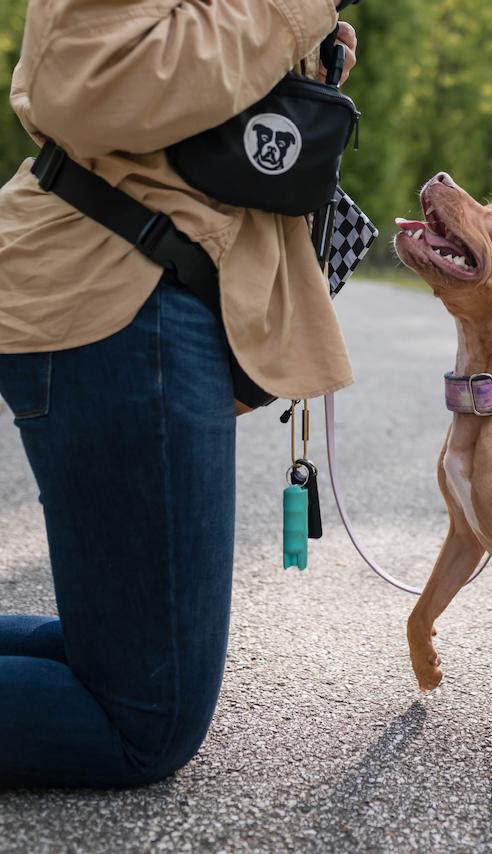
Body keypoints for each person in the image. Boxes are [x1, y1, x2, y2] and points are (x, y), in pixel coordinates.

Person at [0, 0, 357, 788]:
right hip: (120, 300)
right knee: (144, 723)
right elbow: (84, 82)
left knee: (128, 655)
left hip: (145, 301)